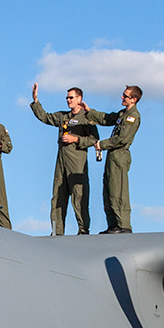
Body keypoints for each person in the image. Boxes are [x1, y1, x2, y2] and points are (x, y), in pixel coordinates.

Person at [29, 84, 97, 235]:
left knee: (79, 196)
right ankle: (56, 231)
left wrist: (76, 139)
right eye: (67, 97)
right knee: (58, 197)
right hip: (61, 163)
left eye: (71, 97)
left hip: (77, 163)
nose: (68, 100)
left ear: (79, 99)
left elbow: (94, 139)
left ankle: (83, 230)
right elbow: (45, 117)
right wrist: (35, 101)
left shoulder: (87, 118)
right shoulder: (63, 116)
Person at [81, 86, 143, 233]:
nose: (122, 97)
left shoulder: (132, 116)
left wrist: (102, 144)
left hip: (120, 154)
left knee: (118, 189)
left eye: (125, 96)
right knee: (109, 189)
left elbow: (122, 139)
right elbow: (106, 118)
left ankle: (123, 225)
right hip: (112, 155)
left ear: (134, 99)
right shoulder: (123, 113)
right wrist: (89, 111)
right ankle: (113, 224)